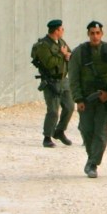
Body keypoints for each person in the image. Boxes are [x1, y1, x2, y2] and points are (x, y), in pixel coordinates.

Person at [68, 20, 107, 178]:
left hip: (104, 99)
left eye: (97, 33)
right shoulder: (80, 52)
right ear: (88, 34)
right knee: (86, 130)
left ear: (102, 34)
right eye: (92, 33)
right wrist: (78, 99)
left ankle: (93, 163)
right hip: (86, 98)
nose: (95, 36)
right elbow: (73, 77)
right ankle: (92, 157)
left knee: (101, 133)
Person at [31, 19, 74, 148]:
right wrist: (62, 55)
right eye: (61, 29)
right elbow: (48, 63)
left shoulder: (61, 42)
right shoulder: (44, 45)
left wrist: (68, 56)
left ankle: (59, 131)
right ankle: (47, 136)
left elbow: (69, 52)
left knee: (70, 107)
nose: (63, 31)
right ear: (56, 31)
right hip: (51, 82)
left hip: (63, 80)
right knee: (53, 111)